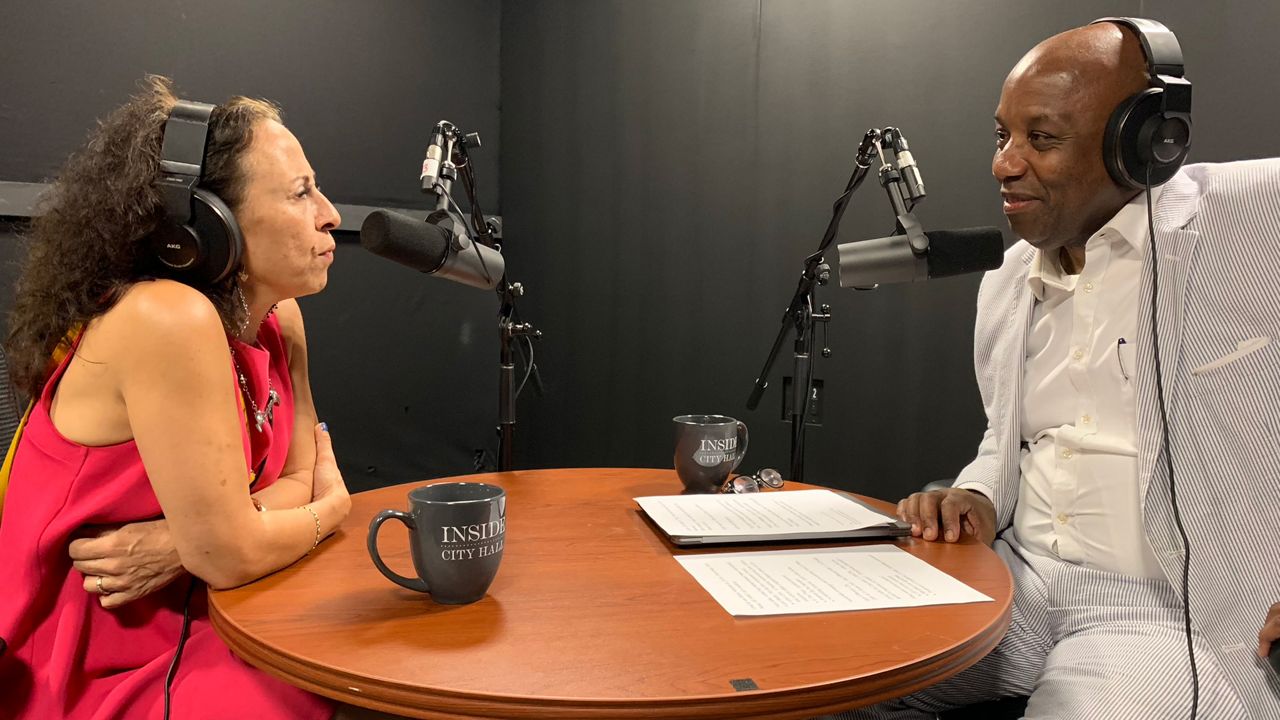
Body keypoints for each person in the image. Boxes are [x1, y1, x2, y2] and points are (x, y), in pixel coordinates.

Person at [836, 18, 1280, 720]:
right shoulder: (1009, 279)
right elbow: (1008, 440)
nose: (1004, 164)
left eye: (1040, 139)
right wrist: (977, 497)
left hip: (1166, 614)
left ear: (1146, 143)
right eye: (1002, 136)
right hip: (1016, 579)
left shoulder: (1251, 215)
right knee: (826, 676)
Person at [0, 76, 350, 719]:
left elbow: (287, 485)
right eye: (301, 193)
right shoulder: (168, 319)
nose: (329, 214)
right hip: (108, 666)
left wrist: (177, 544)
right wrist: (332, 508)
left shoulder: (281, 320)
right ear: (206, 226)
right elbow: (245, 542)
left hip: (227, 611)